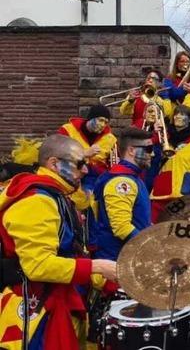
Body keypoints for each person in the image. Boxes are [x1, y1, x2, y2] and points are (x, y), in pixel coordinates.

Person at [0, 135, 117, 350]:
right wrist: (97, 267)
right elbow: (38, 266)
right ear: (54, 164)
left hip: (56, 301)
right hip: (38, 315)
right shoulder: (37, 201)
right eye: (80, 164)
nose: (85, 170)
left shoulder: (56, 194)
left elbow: (69, 250)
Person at [91, 127, 153, 261]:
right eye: (148, 150)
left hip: (127, 255)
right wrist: (150, 245)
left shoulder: (133, 178)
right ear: (131, 150)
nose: (152, 154)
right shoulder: (121, 182)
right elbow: (121, 227)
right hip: (116, 259)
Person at [150, 105, 190, 222]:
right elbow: (150, 155)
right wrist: (154, 134)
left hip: (186, 194)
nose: (178, 116)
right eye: (176, 114)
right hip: (162, 193)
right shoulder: (163, 138)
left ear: (189, 120)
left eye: (182, 114)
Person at [58, 104, 117, 195]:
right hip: (70, 174)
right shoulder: (68, 130)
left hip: (96, 179)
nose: (103, 125)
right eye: (100, 120)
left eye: (106, 122)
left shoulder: (111, 139)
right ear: (90, 118)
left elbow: (114, 165)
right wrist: (83, 154)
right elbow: (56, 152)